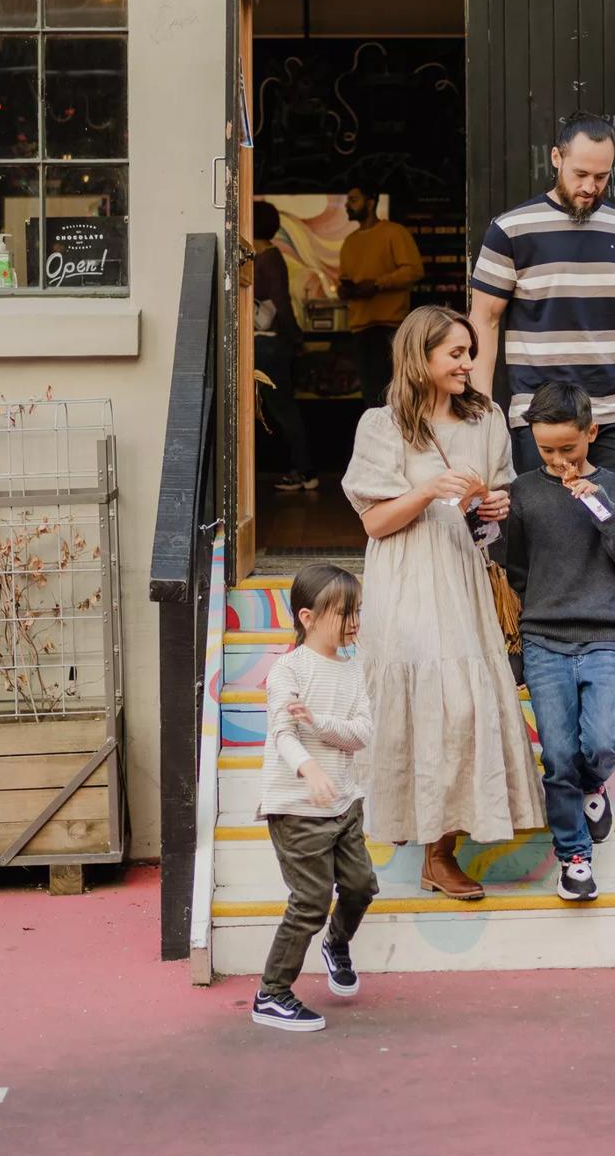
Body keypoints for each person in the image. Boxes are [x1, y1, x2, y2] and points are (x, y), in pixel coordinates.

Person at [341, 305, 544, 900]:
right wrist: (428, 488)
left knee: (463, 708)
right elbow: (376, 523)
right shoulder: (382, 426)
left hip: (463, 572)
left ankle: (441, 849)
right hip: (406, 577)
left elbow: (496, 498)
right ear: (419, 357)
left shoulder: (488, 419)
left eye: (469, 352)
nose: (467, 363)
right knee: (426, 703)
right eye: (455, 353)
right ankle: (415, 827)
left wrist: (497, 507)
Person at [467, 111, 615, 493]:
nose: (590, 186)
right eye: (580, 174)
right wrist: (482, 408)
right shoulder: (510, 230)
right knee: (551, 535)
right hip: (543, 417)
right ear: (557, 158)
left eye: (601, 177)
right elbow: (483, 320)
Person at [505, 381, 615, 903]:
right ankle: (575, 859)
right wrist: (518, 640)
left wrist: (602, 509)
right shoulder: (523, 492)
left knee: (603, 741)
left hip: (602, 633)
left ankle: (595, 786)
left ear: (592, 432)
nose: (558, 458)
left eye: (569, 447)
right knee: (559, 753)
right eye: (546, 449)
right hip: (544, 636)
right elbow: (515, 571)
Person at [251, 562, 378, 1033]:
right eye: (343, 612)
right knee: (310, 900)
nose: (353, 622)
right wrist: (308, 767)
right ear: (308, 617)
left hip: (343, 803)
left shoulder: (354, 669)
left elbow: (361, 732)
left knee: (362, 885)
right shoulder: (288, 669)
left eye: (356, 611)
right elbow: (283, 732)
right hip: (297, 808)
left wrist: (321, 725)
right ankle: (272, 994)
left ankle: (337, 943)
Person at [338, 186, 424, 408]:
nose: (348, 205)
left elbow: (414, 270)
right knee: (370, 396)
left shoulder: (393, 232)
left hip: (390, 325)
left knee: (394, 395)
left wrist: (378, 284)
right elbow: (345, 278)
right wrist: (345, 290)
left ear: (370, 202)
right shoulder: (349, 242)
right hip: (359, 325)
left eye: (354, 199)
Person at [252, 202, 317, 493]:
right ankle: (301, 469)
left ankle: (304, 471)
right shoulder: (265, 257)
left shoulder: (267, 258)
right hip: (271, 345)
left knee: (283, 410)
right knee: (281, 410)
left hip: (269, 345)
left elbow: (281, 303)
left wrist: (295, 336)